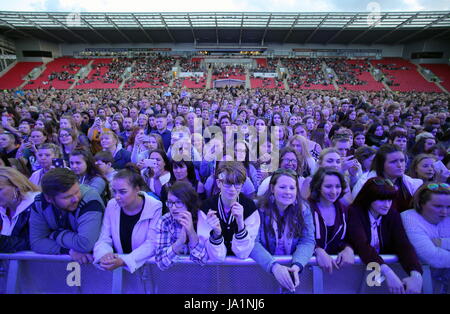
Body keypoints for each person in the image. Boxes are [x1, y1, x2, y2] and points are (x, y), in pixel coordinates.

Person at [347, 177, 423, 294]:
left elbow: (403, 244)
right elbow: (362, 245)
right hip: (355, 271)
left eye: (390, 200)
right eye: (382, 200)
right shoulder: (354, 212)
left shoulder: (392, 214)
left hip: (375, 270)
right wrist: (387, 272)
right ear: (369, 198)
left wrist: (416, 274)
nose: (387, 205)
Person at [250, 168, 315, 292]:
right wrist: (274, 267)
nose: (288, 192)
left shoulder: (304, 209)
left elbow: (307, 241)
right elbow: (253, 243)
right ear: (272, 188)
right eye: (282, 187)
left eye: (292, 188)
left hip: (292, 270)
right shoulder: (257, 208)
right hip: (262, 268)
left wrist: (297, 265)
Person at [93, 165, 162, 273]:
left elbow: (152, 243)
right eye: (114, 191)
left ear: (137, 189)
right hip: (119, 269)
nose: (117, 197)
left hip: (148, 269)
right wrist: (104, 254)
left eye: (122, 192)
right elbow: (104, 237)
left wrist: (124, 260)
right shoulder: (111, 205)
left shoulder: (155, 206)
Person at [29, 168, 105, 264]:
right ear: (49, 198)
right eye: (67, 197)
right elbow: (36, 243)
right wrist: (69, 251)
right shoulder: (39, 203)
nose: (75, 199)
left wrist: (55, 234)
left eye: (77, 191)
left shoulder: (90, 199)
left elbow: (85, 244)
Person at [198, 162, 260, 260]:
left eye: (237, 184)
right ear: (219, 183)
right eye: (227, 183)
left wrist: (240, 224)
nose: (232, 189)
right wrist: (216, 234)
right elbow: (217, 258)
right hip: (214, 269)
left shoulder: (249, 207)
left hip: (242, 268)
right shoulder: (206, 208)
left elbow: (243, 254)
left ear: (242, 184)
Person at [401, 183, 450, 293]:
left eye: (448, 207)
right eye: (437, 206)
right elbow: (433, 257)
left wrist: (442, 243)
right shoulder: (409, 218)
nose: (445, 212)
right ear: (421, 203)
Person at [308, 167, 355, 274]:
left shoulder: (344, 210)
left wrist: (348, 249)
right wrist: (317, 250)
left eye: (338, 186)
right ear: (318, 187)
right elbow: (299, 240)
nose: (334, 191)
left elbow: (350, 238)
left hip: (336, 272)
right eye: (328, 186)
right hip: (308, 272)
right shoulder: (306, 209)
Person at [353, 144, 423, 213]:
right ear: (381, 164)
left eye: (402, 160)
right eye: (393, 162)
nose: (399, 165)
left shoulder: (411, 183)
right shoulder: (365, 182)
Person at [155, 181, 208, 270]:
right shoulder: (165, 221)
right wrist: (180, 241)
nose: (173, 207)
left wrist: (191, 232)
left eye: (178, 202)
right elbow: (161, 262)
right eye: (170, 202)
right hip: (172, 275)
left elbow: (202, 260)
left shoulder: (201, 218)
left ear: (189, 203)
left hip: (198, 274)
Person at [0, 167, 40, 252]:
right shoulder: (3, 209)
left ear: (16, 186)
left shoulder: (38, 206)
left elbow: (33, 242)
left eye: (0, 189)